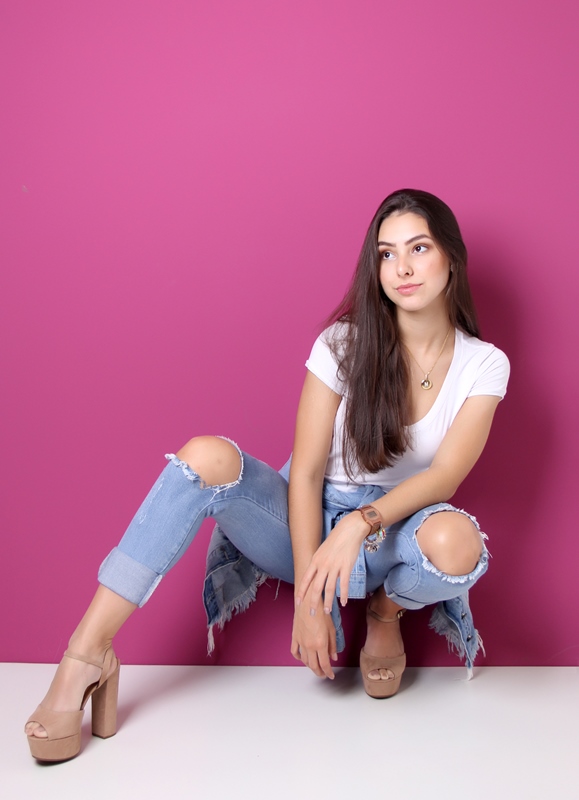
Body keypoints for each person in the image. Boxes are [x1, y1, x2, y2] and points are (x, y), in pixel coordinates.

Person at [25, 189, 509, 761]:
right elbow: (305, 472)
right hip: (307, 524)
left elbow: (445, 477)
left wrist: (361, 523)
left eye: (419, 248)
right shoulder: (343, 343)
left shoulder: (483, 363)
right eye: (386, 253)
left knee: (458, 543)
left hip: (394, 530)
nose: (401, 267)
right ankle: (87, 654)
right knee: (204, 455)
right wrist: (310, 599)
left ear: (452, 256)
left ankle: (385, 613)